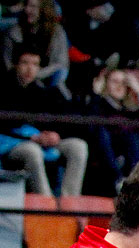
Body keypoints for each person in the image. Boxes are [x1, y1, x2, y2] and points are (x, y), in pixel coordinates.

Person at [0, 46, 88, 196]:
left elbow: (60, 119)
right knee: (32, 151)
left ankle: (69, 204)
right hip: (13, 144)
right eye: (25, 63)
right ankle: (46, 205)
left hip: (41, 141)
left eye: (35, 64)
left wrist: (55, 134)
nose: (30, 69)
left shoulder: (43, 91)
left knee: (78, 147)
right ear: (15, 64)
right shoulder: (3, 88)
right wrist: (31, 138)